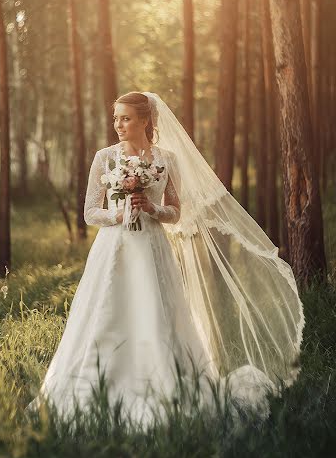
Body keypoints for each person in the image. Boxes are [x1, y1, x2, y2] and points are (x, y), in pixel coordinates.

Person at [26, 91, 305, 428]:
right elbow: (89, 213)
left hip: (152, 246)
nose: (118, 124)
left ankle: (164, 386)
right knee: (106, 308)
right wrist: (121, 213)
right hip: (113, 248)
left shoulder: (167, 160)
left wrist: (152, 209)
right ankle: (92, 386)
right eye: (116, 118)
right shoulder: (104, 158)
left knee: (155, 310)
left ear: (146, 120)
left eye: (126, 118)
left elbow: (175, 212)